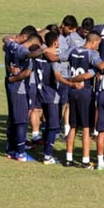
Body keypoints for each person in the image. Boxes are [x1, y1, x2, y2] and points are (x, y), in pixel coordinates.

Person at [34, 32, 83, 164]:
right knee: (52, 126)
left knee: (46, 123)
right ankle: (47, 156)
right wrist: (71, 83)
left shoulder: (38, 54)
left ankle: (45, 153)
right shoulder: (53, 58)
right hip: (51, 95)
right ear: (56, 42)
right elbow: (57, 76)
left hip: (39, 93)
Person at [3, 32, 46, 161]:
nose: (37, 49)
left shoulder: (12, 45)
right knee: (21, 121)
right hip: (19, 89)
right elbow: (27, 71)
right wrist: (43, 50)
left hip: (11, 87)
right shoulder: (24, 51)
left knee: (13, 119)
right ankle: (21, 153)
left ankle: (11, 150)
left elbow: (5, 39)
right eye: (37, 46)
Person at [65, 32, 103, 169]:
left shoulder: (73, 50)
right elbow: (100, 67)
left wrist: (70, 79)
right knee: (86, 127)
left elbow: (62, 58)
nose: (98, 46)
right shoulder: (92, 54)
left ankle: (68, 158)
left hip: (72, 92)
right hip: (85, 92)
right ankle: (85, 160)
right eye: (98, 43)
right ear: (94, 42)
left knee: (73, 126)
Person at [58, 15, 78, 138]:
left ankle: (61, 127)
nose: (71, 32)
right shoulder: (56, 37)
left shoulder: (69, 38)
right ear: (64, 25)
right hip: (57, 74)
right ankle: (52, 126)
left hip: (66, 74)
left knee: (65, 102)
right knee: (57, 103)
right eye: (70, 29)